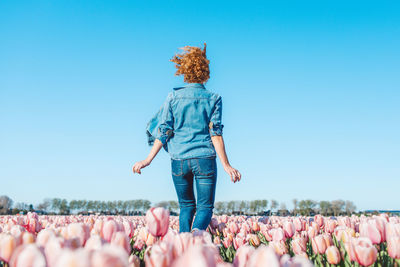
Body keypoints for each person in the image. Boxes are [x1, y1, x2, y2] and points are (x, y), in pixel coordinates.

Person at [132, 43, 241, 233]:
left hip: (179, 160)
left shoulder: (173, 97)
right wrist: (226, 165)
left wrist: (148, 159)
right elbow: (215, 133)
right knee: (205, 208)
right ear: (206, 73)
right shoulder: (214, 98)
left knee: (186, 207)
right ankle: (195, 240)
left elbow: (164, 130)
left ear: (184, 72)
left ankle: (183, 245)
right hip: (205, 159)